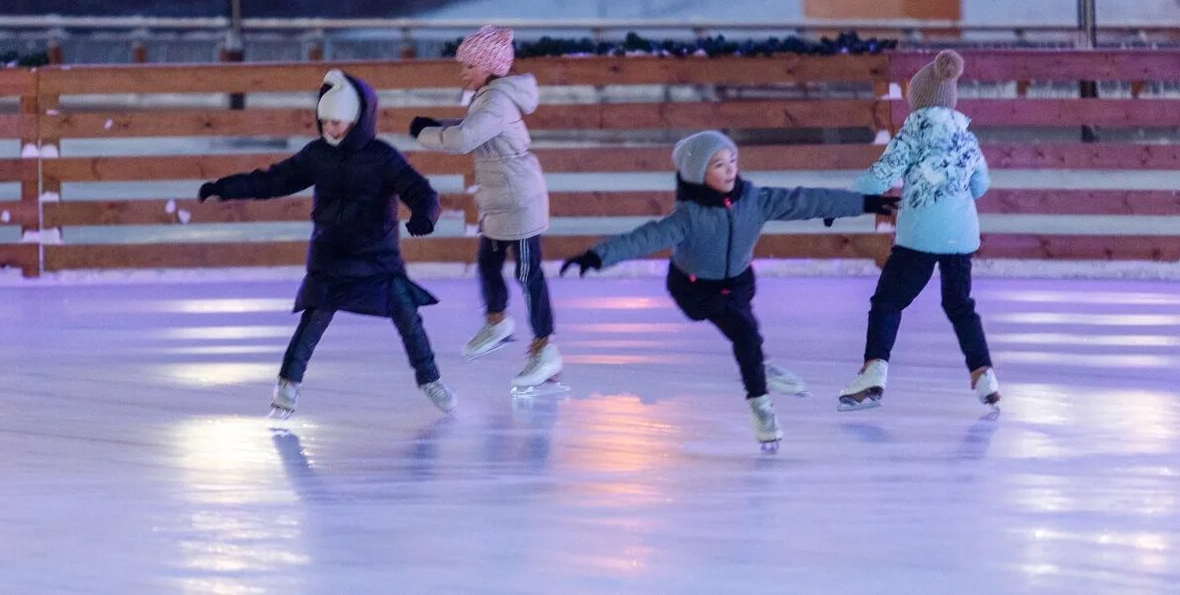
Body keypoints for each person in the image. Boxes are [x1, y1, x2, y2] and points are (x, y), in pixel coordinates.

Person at [561, 130, 899, 450]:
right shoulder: (689, 216)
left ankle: (758, 364)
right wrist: (597, 256)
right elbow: (646, 237)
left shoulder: (754, 200)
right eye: (719, 165)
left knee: (747, 334)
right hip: (696, 290)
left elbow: (805, 200)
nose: (730, 170)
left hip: (737, 284)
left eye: (732, 161)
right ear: (697, 173)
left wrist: (864, 204)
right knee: (746, 335)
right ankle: (761, 405)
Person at [199, 69, 456, 417]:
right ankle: (288, 386)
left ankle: (430, 380)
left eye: (337, 122)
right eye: (325, 122)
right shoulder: (317, 155)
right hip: (331, 257)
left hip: (377, 258)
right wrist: (225, 187)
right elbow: (275, 180)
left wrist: (425, 216)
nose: (330, 129)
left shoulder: (383, 157)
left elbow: (420, 190)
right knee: (313, 321)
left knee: (408, 317)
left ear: (355, 120)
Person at [837, 50, 999, 412]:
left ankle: (874, 370)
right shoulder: (966, 137)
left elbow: (882, 175)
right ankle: (983, 372)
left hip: (920, 237)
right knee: (960, 305)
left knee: (888, 302)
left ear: (918, 102)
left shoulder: (912, 133)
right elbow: (980, 186)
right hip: (960, 237)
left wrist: (844, 198)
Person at [409, 25, 562, 395]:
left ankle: (545, 348)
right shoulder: (487, 96)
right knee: (488, 263)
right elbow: (468, 128)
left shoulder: (495, 100)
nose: (463, 73)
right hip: (501, 200)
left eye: (469, 66)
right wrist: (437, 125)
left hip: (520, 201)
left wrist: (424, 134)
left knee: (528, 273)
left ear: (490, 67)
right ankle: (497, 322)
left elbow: (463, 139)